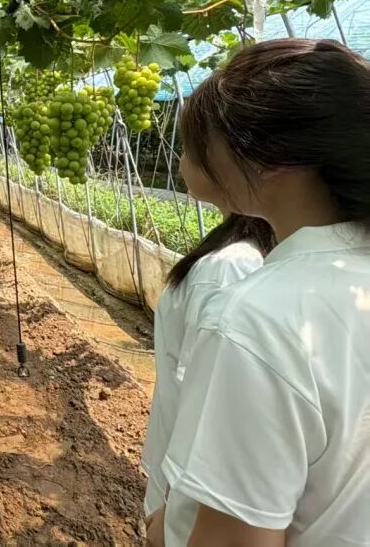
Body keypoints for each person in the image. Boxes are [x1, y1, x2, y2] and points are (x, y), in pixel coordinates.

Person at [145, 39, 370, 547]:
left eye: (201, 142)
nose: (189, 158)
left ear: (270, 158)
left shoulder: (259, 317)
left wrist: (165, 529)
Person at [141, 213, 274, 520]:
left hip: (188, 481)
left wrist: (174, 499)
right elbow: (204, 391)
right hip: (188, 478)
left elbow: (202, 391)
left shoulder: (230, 263)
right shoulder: (233, 263)